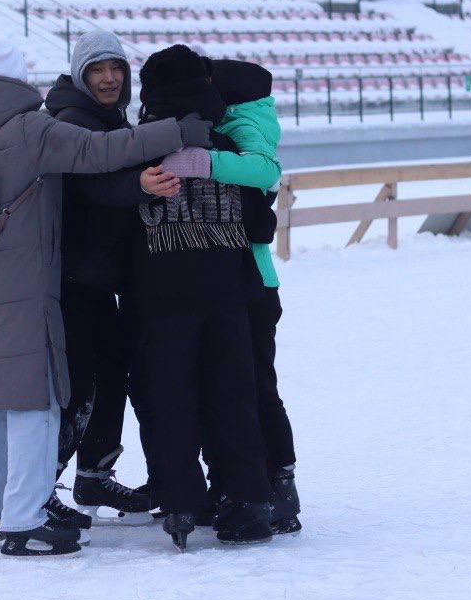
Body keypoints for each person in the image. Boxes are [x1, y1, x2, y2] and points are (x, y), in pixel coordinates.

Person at [0, 37, 207, 557]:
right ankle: (25, 519)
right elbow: (98, 152)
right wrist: (176, 131)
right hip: (28, 283)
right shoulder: (28, 127)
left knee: (0, 404)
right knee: (36, 401)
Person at [129, 44, 273, 550]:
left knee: (170, 397)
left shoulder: (140, 149)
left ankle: (184, 500)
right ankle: (248, 500)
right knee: (233, 394)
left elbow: (117, 218)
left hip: (162, 291)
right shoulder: (227, 146)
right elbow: (263, 210)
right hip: (229, 287)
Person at [43, 30, 180, 524]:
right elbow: (86, 185)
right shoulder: (71, 118)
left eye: (116, 69)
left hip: (100, 273)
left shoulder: (107, 116)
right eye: (98, 70)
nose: (108, 78)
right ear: (81, 75)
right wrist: (138, 186)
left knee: (111, 374)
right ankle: (39, 488)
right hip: (74, 274)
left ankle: (94, 475)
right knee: (80, 383)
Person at [198, 56, 300, 534]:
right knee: (236, 387)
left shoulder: (248, 124)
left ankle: (281, 483)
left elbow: (264, 171)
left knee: (258, 386)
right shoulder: (235, 120)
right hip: (233, 279)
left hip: (254, 281)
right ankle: (241, 482)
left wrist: (205, 161)